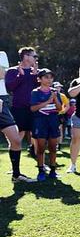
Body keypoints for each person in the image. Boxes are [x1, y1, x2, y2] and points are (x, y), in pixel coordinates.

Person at [0, 50, 35, 182]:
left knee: (15, 140)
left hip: (3, 100)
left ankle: (16, 175)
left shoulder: (2, 54)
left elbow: (2, 74)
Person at [5, 47, 39, 158]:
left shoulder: (38, 72)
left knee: (37, 135)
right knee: (18, 135)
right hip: (19, 108)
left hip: (35, 108)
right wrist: (20, 75)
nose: (35, 58)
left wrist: (35, 76)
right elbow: (9, 87)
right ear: (25, 57)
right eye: (33, 56)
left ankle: (40, 162)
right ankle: (15, 166)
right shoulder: (12, 71)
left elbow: (41, 89)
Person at [29, 69, 63, 181]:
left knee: (53, 148)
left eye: (51, 77)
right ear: (39, 79)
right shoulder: (35, 92)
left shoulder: (55, 92)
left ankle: (53, 170)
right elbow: (33, 108)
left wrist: (54, 98)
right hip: (40, 122)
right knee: (40, 148)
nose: (49, 80)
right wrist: (48, 102)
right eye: (46, 77)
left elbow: (59, 108)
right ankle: (41, 171)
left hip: (53, 121)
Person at [53, 82, 69, 151]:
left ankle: (59, 145)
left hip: (59, 115)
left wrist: (63, 111)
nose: (58, 89)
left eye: (59, 87)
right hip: (52, 114)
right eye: (56, 87)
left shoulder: (62, 96)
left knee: (60, 130)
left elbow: (67, 105)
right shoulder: (50, 94)